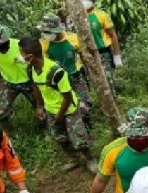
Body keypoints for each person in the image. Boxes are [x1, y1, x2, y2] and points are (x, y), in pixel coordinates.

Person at [20, 37, 97, 173]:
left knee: (79, 138)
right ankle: (74, 160)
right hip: (51, 109)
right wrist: (39, 106)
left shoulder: (56, 71)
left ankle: (90, 158)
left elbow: (67, 96)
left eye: (22, 53)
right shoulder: (31, 69)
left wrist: (60, 115)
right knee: (60, 137)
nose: (20, 56)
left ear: (30, 56)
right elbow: (36, 87)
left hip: (68, 109)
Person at [37, 13, 92, 120]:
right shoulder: (43, 44)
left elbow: (83, 55)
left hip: (75, 75)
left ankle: (87, 122)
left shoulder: (73, 38)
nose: (45, 34)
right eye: (44, 31)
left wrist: (89, 71)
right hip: (58, 79)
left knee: (84, 103)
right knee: (65, 104)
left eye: (48, 32)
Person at [0, 23, 38, 123]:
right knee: (1, 113)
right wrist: (0, 78)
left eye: (4, 43)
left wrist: (36, 83)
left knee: (41, 109)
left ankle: (48, 131)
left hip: (29, 82)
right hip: (8, 82)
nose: (2, 46)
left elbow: (36, 64)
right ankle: (7, 135)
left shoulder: (20, 47)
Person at [80, 0, 123, 88]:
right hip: (88, 54)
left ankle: (113, 101)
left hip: (103, 53)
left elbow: (113, 35)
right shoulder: (78, 17)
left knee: (107, 82)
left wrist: (117, 56)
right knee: (95, 84)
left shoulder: (101, 15)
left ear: (92, 0)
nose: (84, 0)